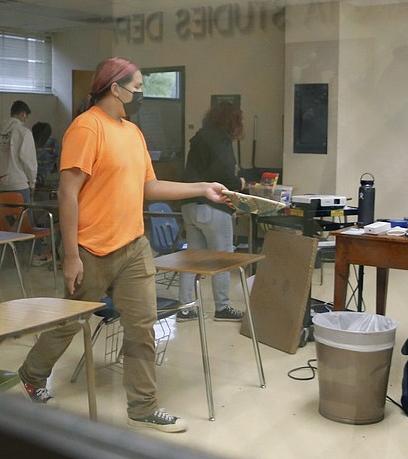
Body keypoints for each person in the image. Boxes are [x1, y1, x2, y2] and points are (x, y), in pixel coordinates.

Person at [16, 57, 229, 433]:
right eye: (137, 87)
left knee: (142, 327)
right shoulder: (86, 128)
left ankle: (143, 407)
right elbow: (68, 193)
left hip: (133, 247)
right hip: (91, 250)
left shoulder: (132, 132)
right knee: (68, 322)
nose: (141, 94)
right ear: (115, 88)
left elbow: (149, 187)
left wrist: (202, 188)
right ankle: (32, 374)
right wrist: (70, 256)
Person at [176, 102, 246, 323]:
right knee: (222, 258)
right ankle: (223, 308)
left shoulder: (200, 136)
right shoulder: (220, 139)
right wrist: (240, 183)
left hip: (189, 205)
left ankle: (185, 308)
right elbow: (224, 174)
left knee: (192, 258)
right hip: (211, 207)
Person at [0, 100, 38, 270]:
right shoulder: (23, 132)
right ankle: (32, 255)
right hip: (18, 183)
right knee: (26, 220)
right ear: (23, 114)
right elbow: (28, 161)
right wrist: (33, 182)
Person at [32, 121, 59, 191]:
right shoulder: (31, 142)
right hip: (34, 178)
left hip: (49, 179)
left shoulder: (53, 143)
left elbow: (55, 161)